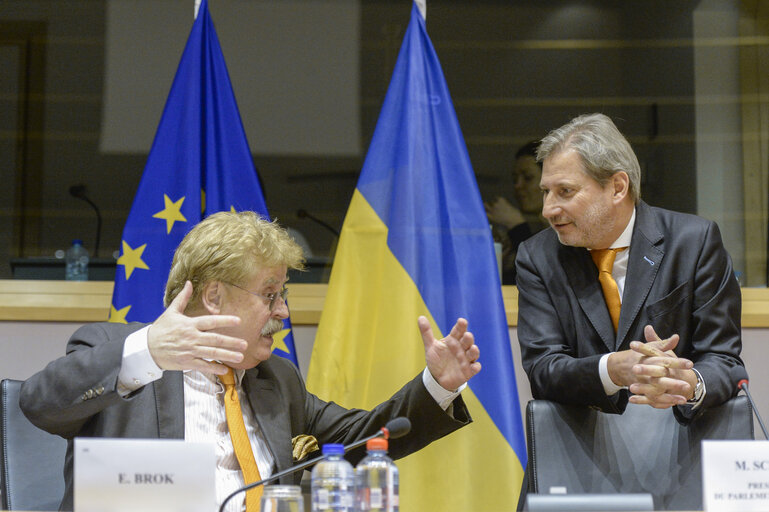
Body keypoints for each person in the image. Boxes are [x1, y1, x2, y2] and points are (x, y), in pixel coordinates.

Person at [20, 211, 481, 512]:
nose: (282, 311)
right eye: (269, 294)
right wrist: (150, 353)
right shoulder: (119, 351)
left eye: (283, 294)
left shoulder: (275, 379)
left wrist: (438, 384)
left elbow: (368, 438)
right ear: (214, 296)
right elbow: (39, 403)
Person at [515, 113, 744, 424]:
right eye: (546, 191)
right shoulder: (538, 256)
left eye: (565, 191)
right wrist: (612, 370)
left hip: (679, 443)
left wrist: (689, 385)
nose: (548, 210)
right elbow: (543, 370)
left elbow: (725, 360)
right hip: (582, 451)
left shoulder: (693, 242)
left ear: (618, 187)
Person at [485, 141, 549, 284]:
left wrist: (516, 225)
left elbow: (546, 273)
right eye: (515, 179)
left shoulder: (571, 228)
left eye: (528, 178)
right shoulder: (538, 231)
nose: (518, 186)